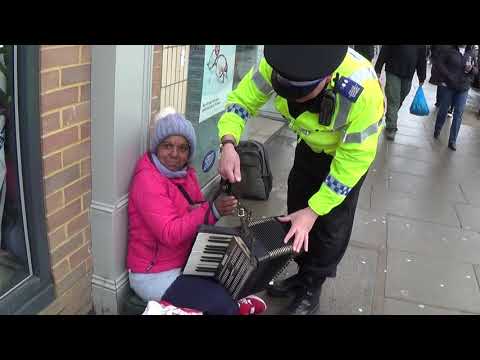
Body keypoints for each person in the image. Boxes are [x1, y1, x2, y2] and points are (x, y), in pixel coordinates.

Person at [217, 45, 385, 315]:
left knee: (330, 227)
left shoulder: (363, 91)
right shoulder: (275, 63)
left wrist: (316, 209)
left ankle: (312, 285)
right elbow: (241, 101)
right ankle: (302, 274)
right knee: (297, 211)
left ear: (327, 78)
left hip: (345, 158)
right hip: (309, 148)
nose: (294, 102)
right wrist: (228, 143)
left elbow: (354, 159)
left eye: (302, 95)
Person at [126, 107, 267, 315]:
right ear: (157, 146)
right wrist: (211, 210)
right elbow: (170, 233)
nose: (175, 154)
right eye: (168, 146)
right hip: (155, 274)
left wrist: (218, 207)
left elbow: (199, 211)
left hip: (185, 259)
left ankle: (228, 303)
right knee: (223, 306)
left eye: (182, 148)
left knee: (237, 276)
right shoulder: (147, 179)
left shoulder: (185, 172)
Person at [374, 45, 427, 140]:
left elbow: (422, 59)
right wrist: (378, 68)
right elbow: (385, 49)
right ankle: (391, 127)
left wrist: (422, 76)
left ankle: (391, 117)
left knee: (400, 99)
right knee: (394, 99)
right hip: (392, 71)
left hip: (408, 74)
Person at [433, 45, 479, 151]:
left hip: (463, 88)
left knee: (458, 113)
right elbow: (439, 64)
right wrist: (448, 76)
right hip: (449, 86)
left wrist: (472, 69)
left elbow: (476, 71)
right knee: (444, 109)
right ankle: (438, 128)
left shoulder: (471, 53)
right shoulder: (449, 50)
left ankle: (452, 140)